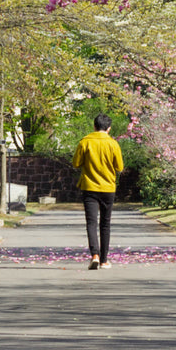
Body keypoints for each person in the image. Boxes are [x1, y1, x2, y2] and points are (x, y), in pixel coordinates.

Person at [72, 113, 124, 270]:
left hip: (89, 187)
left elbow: (76, 163)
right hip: (108, 188)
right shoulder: (113, 144)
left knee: (91, 223)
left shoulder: (85, 142)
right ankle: (103, 260)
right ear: (109, 128)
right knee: (105, 224)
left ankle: (94, 255)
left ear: (94, 126)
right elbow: (119, 167)